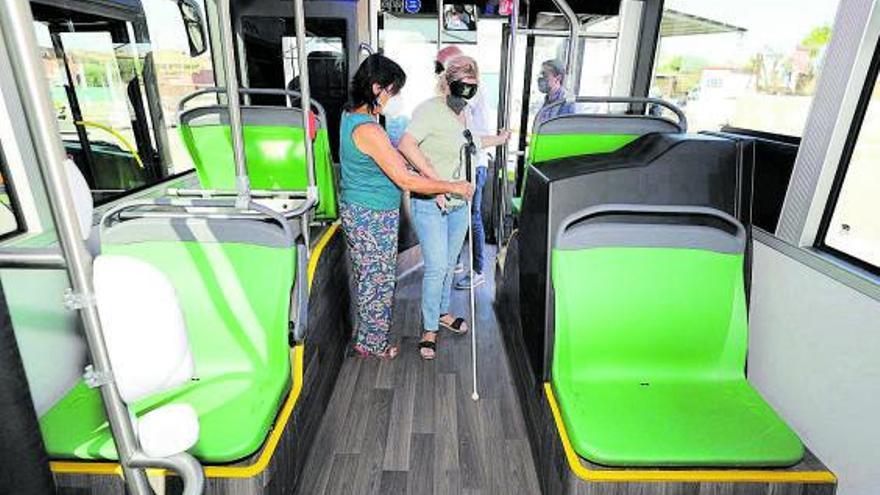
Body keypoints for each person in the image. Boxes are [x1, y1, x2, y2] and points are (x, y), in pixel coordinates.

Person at [340, 54, 474, 360]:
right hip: (370, 215)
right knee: (378, 280)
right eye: (392, 90)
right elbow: (402, 178)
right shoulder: (369, 130)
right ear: (376, 88)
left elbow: (392, 162)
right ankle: (371, 346)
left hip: (361, 210)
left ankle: (368, 337)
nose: (395, 97)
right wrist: (450, 186)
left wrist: (425, 174)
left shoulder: (352, 115)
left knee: (370, 277)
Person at [398, 55, 508, 360]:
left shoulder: (466, 112)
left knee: (448, 264)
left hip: (461, 202)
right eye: (463, 86)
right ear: (448, 83)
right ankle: (429, 328)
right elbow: (406, 146)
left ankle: (442, 313)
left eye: (473, 87)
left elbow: (468, 141)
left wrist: (499, 139)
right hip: (431, 202)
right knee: (436, 267)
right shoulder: (429, 110)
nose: (468, 93)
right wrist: (438, 184)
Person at [433, 46, 509, 291]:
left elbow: (467, 134)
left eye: (443, 70)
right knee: (457, 213)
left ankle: (477, 270)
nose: (441, 75)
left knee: (471, 216)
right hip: (464, 163)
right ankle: (455, 261)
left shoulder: (468, 93)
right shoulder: (458, 94)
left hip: (475, 164)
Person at [534, 59, 573, 125]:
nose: (540, 79)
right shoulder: (547, 101)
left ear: (558, 79)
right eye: (540, 75)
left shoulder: (567, 103)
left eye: (545, 76)